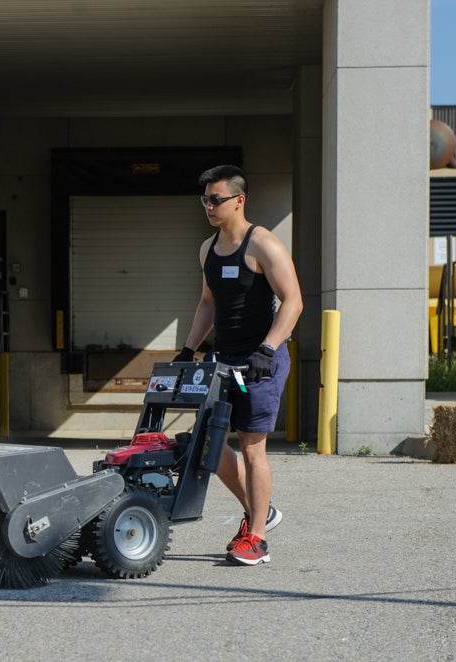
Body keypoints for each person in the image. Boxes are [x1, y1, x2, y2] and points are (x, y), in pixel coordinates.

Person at [174, 165, 303, 565]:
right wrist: (188, 348)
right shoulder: (207, 249)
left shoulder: (263, 244)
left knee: (251, 446)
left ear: (239, 200)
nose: (209, 207)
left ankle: (258, 537)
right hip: (223, 360)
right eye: (205, 200)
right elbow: (209, 302)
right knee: (208, 441)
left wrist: (267, 348)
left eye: (216, 199)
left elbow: (294, 301)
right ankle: (262, 509)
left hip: (261, 360)